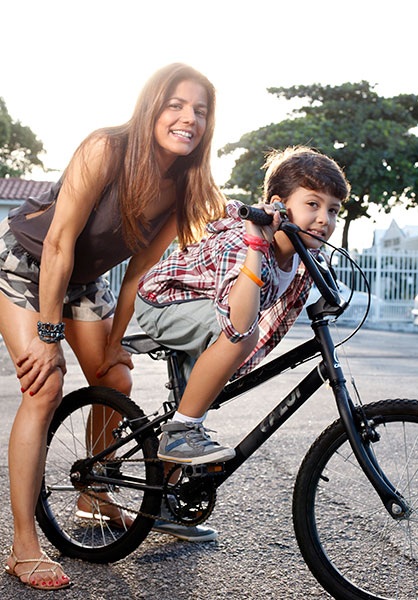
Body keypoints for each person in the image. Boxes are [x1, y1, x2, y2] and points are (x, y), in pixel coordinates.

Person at [0, 63, 225, 590]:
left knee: (115, 378)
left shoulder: (184, 186)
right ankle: (23, 544)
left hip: (83, 281)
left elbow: (137, 275)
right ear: (152, 106)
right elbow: (58, 242)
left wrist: (116, 341)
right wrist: (51, 337)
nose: (188, 117)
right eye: (176, 104)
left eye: (200, 110)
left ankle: (93, 498)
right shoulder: (106, 148)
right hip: (28, 264)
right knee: (45, 385)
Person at [135, 146, 350, 465]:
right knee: (243, 334)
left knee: (195, 396)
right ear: (279, 205)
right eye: (313, 204)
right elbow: (239, 325)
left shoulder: (304, 256)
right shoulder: (243, 244)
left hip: (209, 310)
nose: (324, 219)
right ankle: (180, 432)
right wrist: (255, 246)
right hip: (163, 301)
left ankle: (169, 488)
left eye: (333, 210)